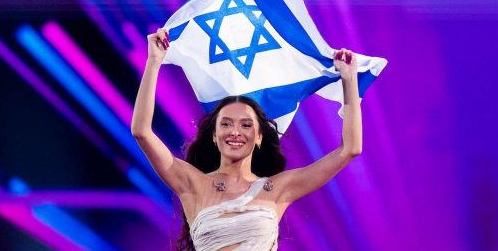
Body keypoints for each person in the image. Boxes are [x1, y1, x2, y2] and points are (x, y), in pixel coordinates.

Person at [131, 28, 362, 251]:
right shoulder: (193, 184)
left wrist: (349, 79)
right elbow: (142, 131)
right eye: (226, 124)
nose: (235, 131)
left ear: (259, 137)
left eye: (246, 125)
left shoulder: (278, 189)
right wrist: (154, 61)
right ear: (214, 135)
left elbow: (349, 149)